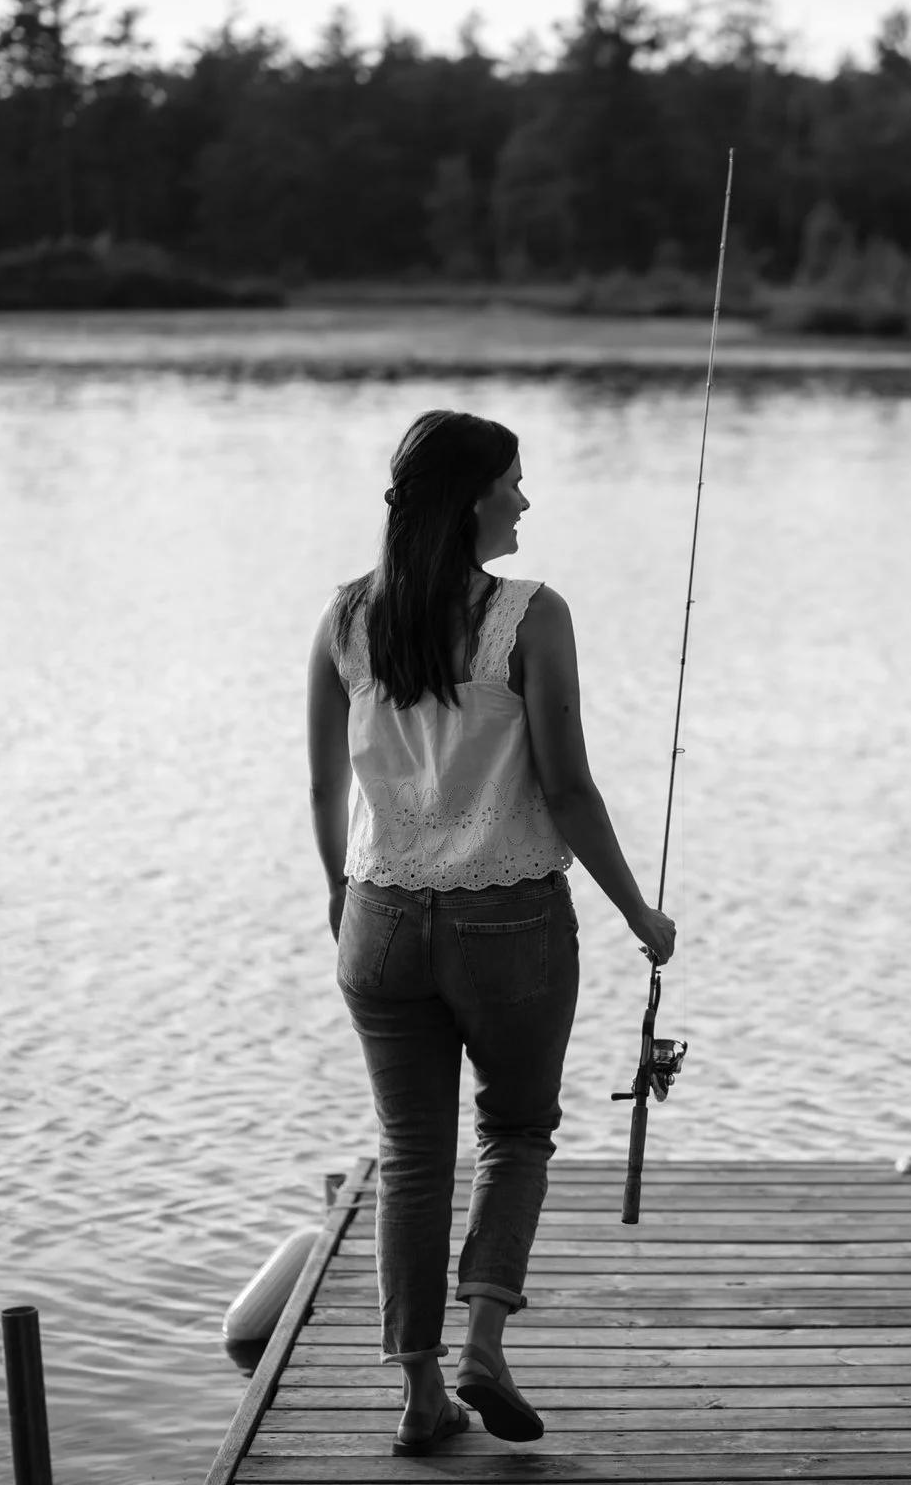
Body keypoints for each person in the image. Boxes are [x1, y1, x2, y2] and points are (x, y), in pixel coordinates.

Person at [306, 410, 678, 1455]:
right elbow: (568, 787)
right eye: (513, 481)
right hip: (508, 918)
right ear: (472, 499)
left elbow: (323, 785)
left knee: (411, 1154)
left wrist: (339, 895)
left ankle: (420, 1394)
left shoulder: (346, 617)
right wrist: (638, 911)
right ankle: (482, 1343)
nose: (524, 499)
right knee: (514, 1132)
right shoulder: (531, 615)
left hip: (378, 917)